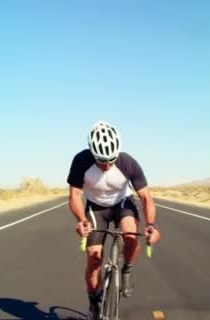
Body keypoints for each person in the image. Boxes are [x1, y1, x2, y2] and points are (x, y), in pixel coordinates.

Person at [67, 120, 161, 320]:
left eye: (112, 158)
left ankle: (127, 269)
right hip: (95, 208)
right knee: (93, 257)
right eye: (102, 160)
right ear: (93, 153)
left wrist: (151, 226)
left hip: (122, 204)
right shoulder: (81, 161)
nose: (108, 164)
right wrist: (82, 220)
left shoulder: (127, 162)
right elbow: (75, 195)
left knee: (130, 237)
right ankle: (93, 300)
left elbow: (146, 197)